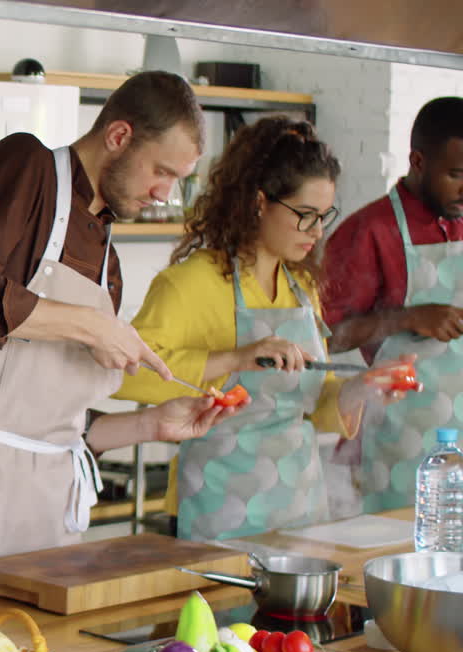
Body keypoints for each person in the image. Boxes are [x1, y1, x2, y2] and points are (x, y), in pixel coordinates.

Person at [0, 71, 243, 597]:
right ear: (119, 136)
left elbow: (53, 430)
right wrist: (91, 325)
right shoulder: (26, 166)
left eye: (178, 181)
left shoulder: (108, 266)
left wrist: (151, 425)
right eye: (161, 171)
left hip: (46, 499)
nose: (165, 194)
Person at [115, 117, 409, 541]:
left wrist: (363, 386)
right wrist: (235, 357)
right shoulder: (191, 283)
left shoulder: (303, 287)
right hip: (217, 503)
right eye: (305, 215)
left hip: (299, 501)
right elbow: (127, 376)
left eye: (324, 217)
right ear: (259, 202)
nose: (317, 232)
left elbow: (315, 406)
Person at [321, 97, 463, 513]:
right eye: (456, 174)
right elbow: (326, 339)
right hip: (398, 447)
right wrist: (408, 318)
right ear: (418, 161)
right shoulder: (368, 232)